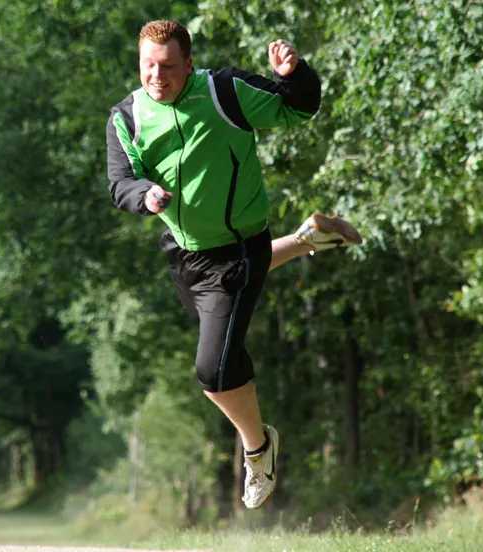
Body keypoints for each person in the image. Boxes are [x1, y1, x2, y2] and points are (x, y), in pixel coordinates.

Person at [105, 20, 362, 510]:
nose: (157, 76)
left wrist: (295, 74)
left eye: (168, 67)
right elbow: (120, 183)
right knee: (220, 309)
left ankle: (258, 448)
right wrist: (145, 194)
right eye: (148, 66)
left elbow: (300, 106)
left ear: (190, 64)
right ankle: (311, 238)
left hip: (241, 243)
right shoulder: (127, 116)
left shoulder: (224, 92)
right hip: (184, 252)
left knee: (215, 371)